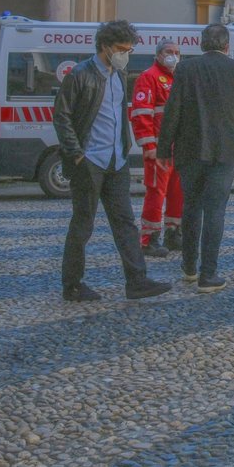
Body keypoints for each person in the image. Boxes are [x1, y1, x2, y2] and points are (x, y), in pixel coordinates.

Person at [52, 19, 171, 303]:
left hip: (116, 161)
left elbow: (119, 117)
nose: (125, 54)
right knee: (83, 223)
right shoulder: (80, 75)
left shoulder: (118, 75)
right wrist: (77, 154)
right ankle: (72, 285)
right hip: (89, 161)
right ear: (105, 46)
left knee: (125, 222)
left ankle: (137, 280)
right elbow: (62, 116)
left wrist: (123, 149)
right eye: (121, 49)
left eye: (129, 50)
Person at [156, 22, 234, 293]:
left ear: (202, 45)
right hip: (225, 151)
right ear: (227, 46)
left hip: (189, 150)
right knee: (215, 210)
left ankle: (189, 267)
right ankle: (209, 274)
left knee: (191, 207)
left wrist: (163, 149)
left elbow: (173, 111)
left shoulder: (186, 69)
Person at [130, 41, 184, 257]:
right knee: (157, 192)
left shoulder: (178, 77)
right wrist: (149, 146)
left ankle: (173, 233)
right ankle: (149, 239)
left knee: (177, 192)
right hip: (159, 148)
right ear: (159, 54)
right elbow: (141, 113)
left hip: (177, 148)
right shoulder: (149, 76)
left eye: (177, 53)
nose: (174, 56)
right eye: (169, 52)